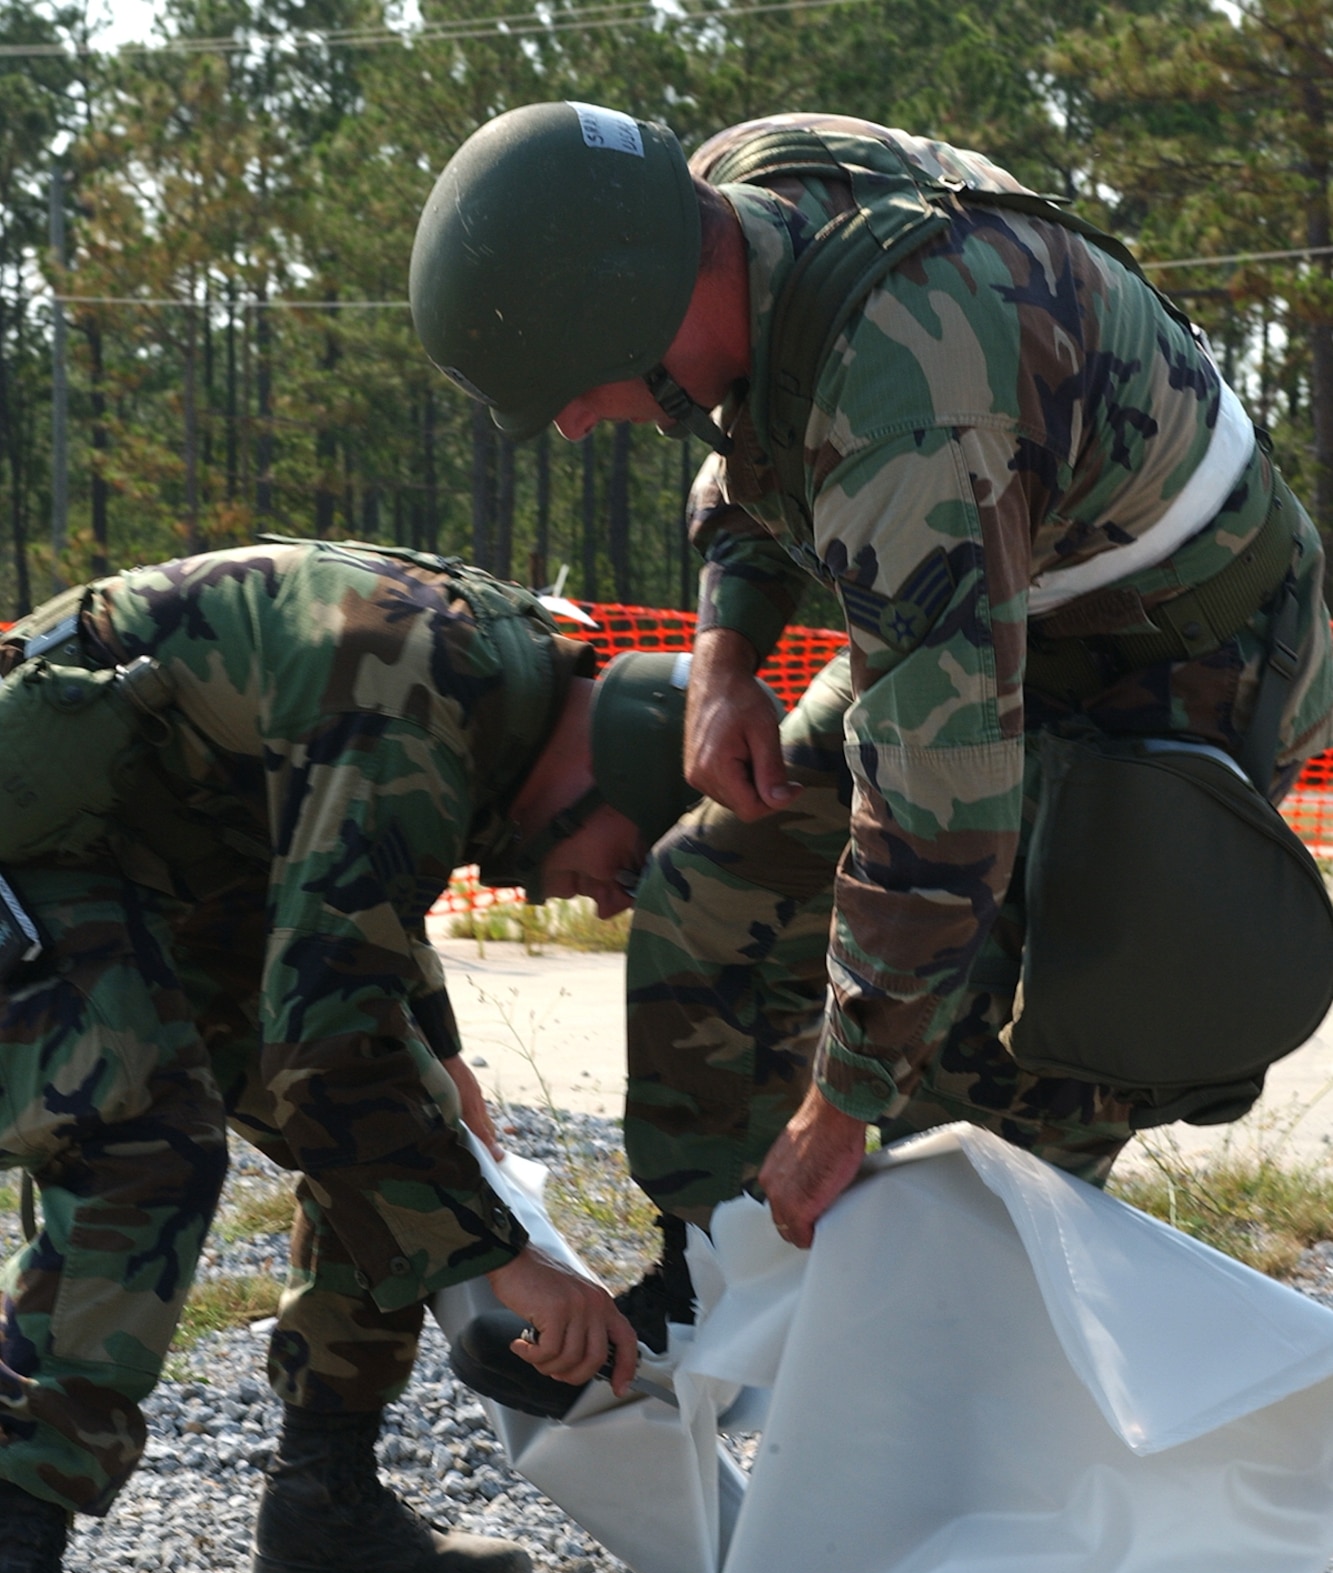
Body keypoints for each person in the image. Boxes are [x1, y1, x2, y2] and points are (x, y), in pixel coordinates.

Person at [409, 103, 1333, 1309]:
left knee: (1014, 1095)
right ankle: (722, 1290)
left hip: (1179, 662)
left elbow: (940, 826)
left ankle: (972, 1395)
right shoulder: (738, 198)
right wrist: (729, 652)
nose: (577, 420)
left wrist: (842, 1100)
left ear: (641, 319)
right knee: (709, 891)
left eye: (576, 388)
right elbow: (749, 440)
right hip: (977, 592)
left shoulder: (908, 411)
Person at [0, 539, 678, 1573]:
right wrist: (502, 1260)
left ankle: (324, 1495)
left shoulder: (492, 690)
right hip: (38, 841)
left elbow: (353, 902)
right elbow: (325, 1045)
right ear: (599, 770)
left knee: (412, 1115)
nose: (613, 899)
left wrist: (443, 1058)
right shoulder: (427, 676)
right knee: (145, 1133)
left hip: (163, 855)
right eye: (628, 860)